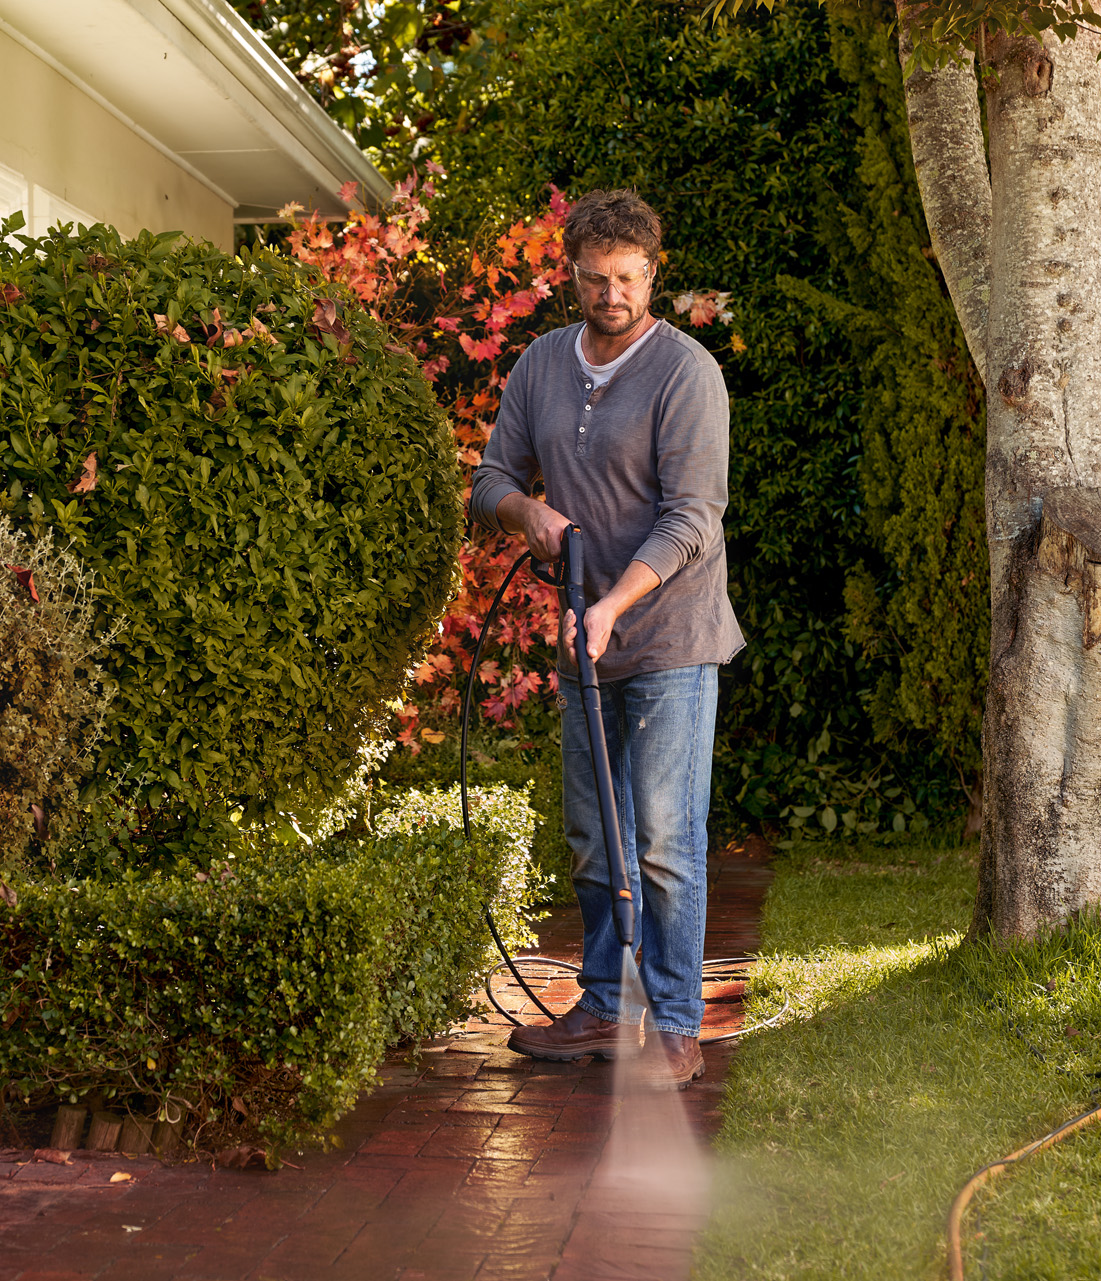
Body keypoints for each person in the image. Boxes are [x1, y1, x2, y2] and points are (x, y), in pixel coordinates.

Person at [467, 189, 743, 1088]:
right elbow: (491, 478)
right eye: (595, 279)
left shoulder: (686, 373)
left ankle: (675, 1022)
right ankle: (604, 1006)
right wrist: (528, 514)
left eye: (628, 279)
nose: (611, 295)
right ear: (572, 276)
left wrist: (614, 601)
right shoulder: (542, 364)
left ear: (652, 275)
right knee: (594, 833)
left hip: (669, 634)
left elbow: (693, 517)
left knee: (662, 839)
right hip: (585, 638)